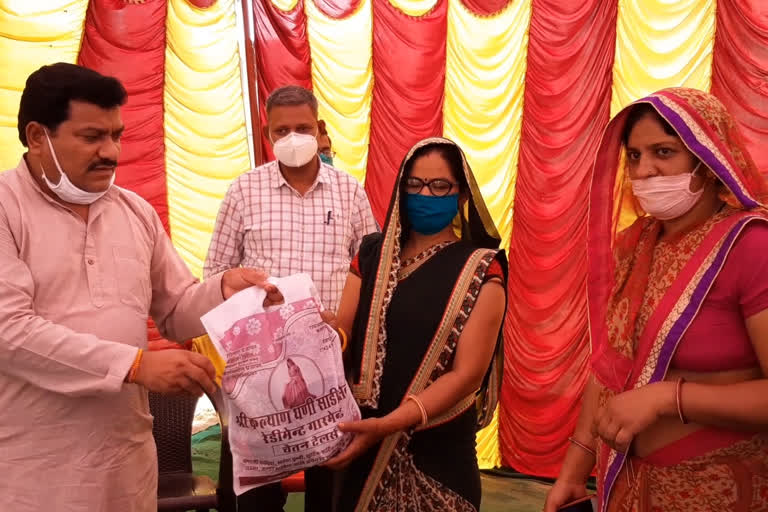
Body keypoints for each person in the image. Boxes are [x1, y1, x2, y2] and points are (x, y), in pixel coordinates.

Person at [0, 62, 281, 512]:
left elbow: (176, 310)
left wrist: (225, 290)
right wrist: (134, 366)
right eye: (92, 137)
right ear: (37, 137)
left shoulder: (133, 211)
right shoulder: (5, 208)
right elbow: (9, 333)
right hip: (36, 471)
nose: (111, 152)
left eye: (116, 135)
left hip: (127, 463)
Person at [544, 88, 768, 512]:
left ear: (706, 160)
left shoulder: (751, 246)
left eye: (663, 152)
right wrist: (573, 473)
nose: (645, 170)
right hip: (629, 489)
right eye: (634, 156)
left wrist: (668, 397)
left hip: (721, 493)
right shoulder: (638, 244)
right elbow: (610, 365)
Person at [205, 84, 378, 511]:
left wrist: (344, 321)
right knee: (253, 495)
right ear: (268, 133)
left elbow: (370, 270)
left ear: (320, 130)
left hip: (332, 362)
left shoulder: (350, 191)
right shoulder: (243, 191)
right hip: (259, 366)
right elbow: (214, 276)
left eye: (302, 127)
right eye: (282, 130)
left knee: (333, 487)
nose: (293, 138)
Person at [323, 137, 508, 511]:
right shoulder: (371, 254)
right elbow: (341, 332)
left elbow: (467, 375)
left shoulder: (482, 267)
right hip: (358, 441)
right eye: (415, 185)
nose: (426, 194)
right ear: (401, 190)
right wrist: (308, 329)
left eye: (440, 186)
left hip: (436, 455)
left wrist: (391, 424)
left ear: (461, 195)